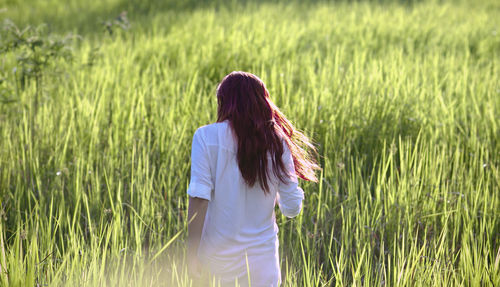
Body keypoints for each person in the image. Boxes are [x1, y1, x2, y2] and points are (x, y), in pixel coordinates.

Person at [186, 71, 320, 286]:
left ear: (224, 103)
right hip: (263, 267)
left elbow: (199, 198)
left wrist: (191, 254)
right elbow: (292, 209)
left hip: (217, 264)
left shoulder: (205, 136)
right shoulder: (278, 143)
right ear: (262, 102)